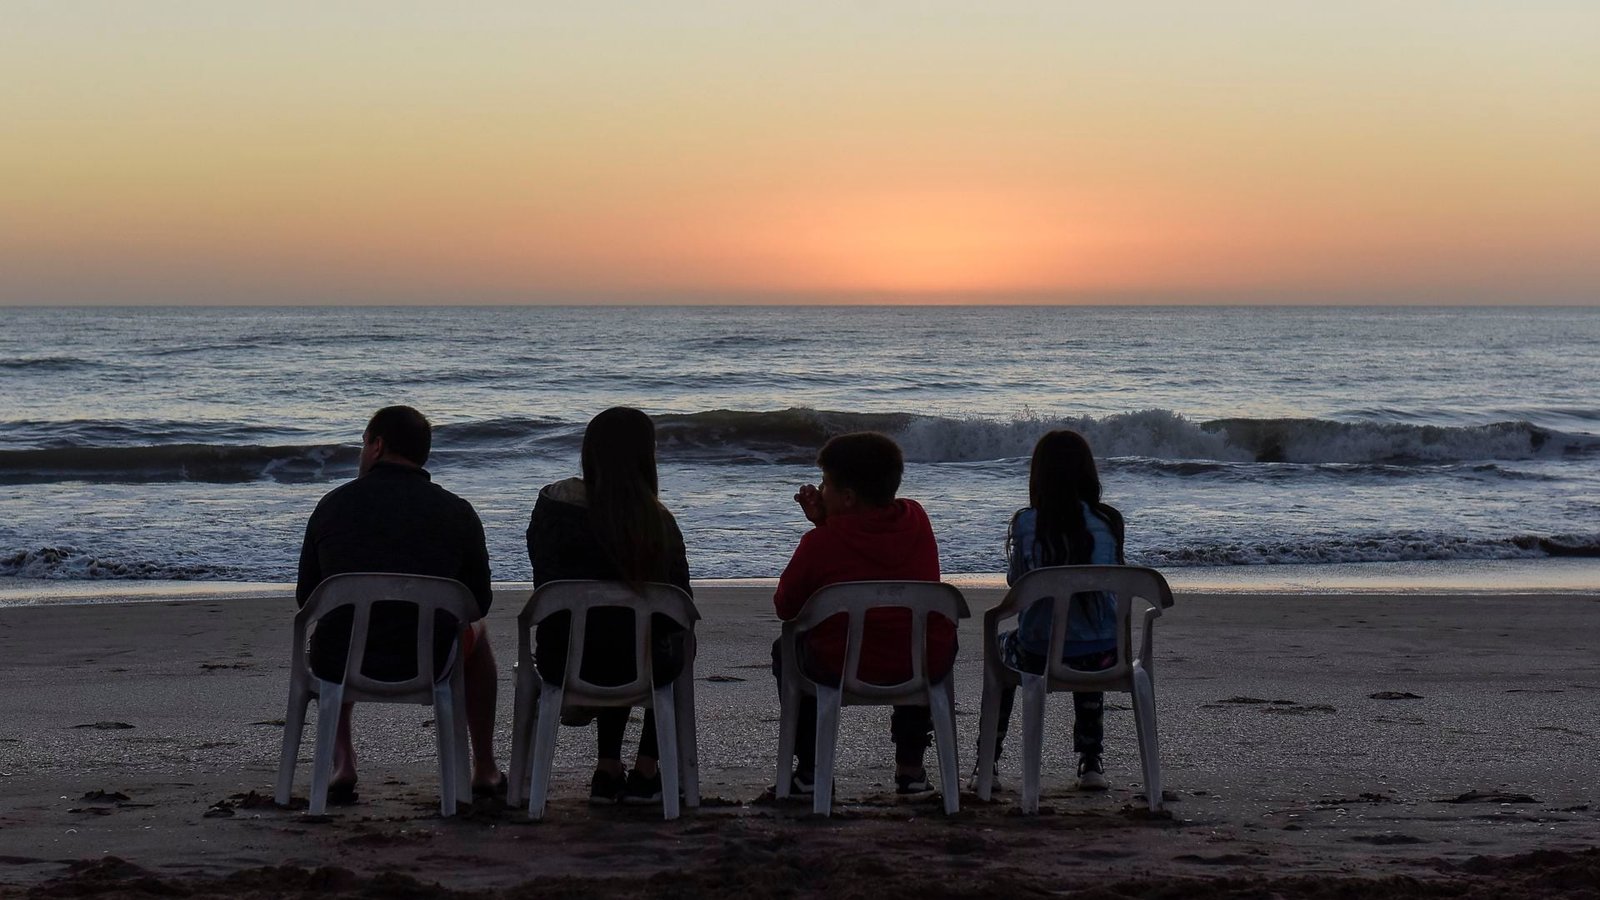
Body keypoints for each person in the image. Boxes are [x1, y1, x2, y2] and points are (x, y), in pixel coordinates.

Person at [295, 405, 503, 803]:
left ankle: (343, 762)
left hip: (341, 662)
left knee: (337, 626)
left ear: (376, 445)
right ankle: (485, 768)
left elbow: (308, 597)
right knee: (480, 633)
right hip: (430, 660)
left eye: (362, 443)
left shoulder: (331, 507)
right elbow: (478, 604)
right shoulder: (457, 512)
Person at [772, 431, 955, 796]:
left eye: (826, 486)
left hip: (841, 666)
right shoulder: (917, 519)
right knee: (918, 636)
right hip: (918, 663)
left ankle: (811, 770)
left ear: (848, 497)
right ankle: (911, 769)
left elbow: (785, 607)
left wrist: (825, 528)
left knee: (785, 649)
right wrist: (831, 520)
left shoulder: (819, 543)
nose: (821, 492)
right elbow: (866, 537)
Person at [526, 407, 691, 806]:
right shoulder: (657, 522)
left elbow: (542, 574)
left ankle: (607, 768)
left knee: (613, 634)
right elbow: (679, 608)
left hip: (561, 662)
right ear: (646, 458)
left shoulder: (551, 509)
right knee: (664, 640)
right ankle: (647, 769)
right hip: (641, 667)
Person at [976, 429, 1125, 791]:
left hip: (1037, 654)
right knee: (1087, 638)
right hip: (1104, 654)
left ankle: (988, 762)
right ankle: (1091, 762)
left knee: (1002, 649)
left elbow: (1018, 583)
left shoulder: (1028, 523)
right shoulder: (1109, 522)